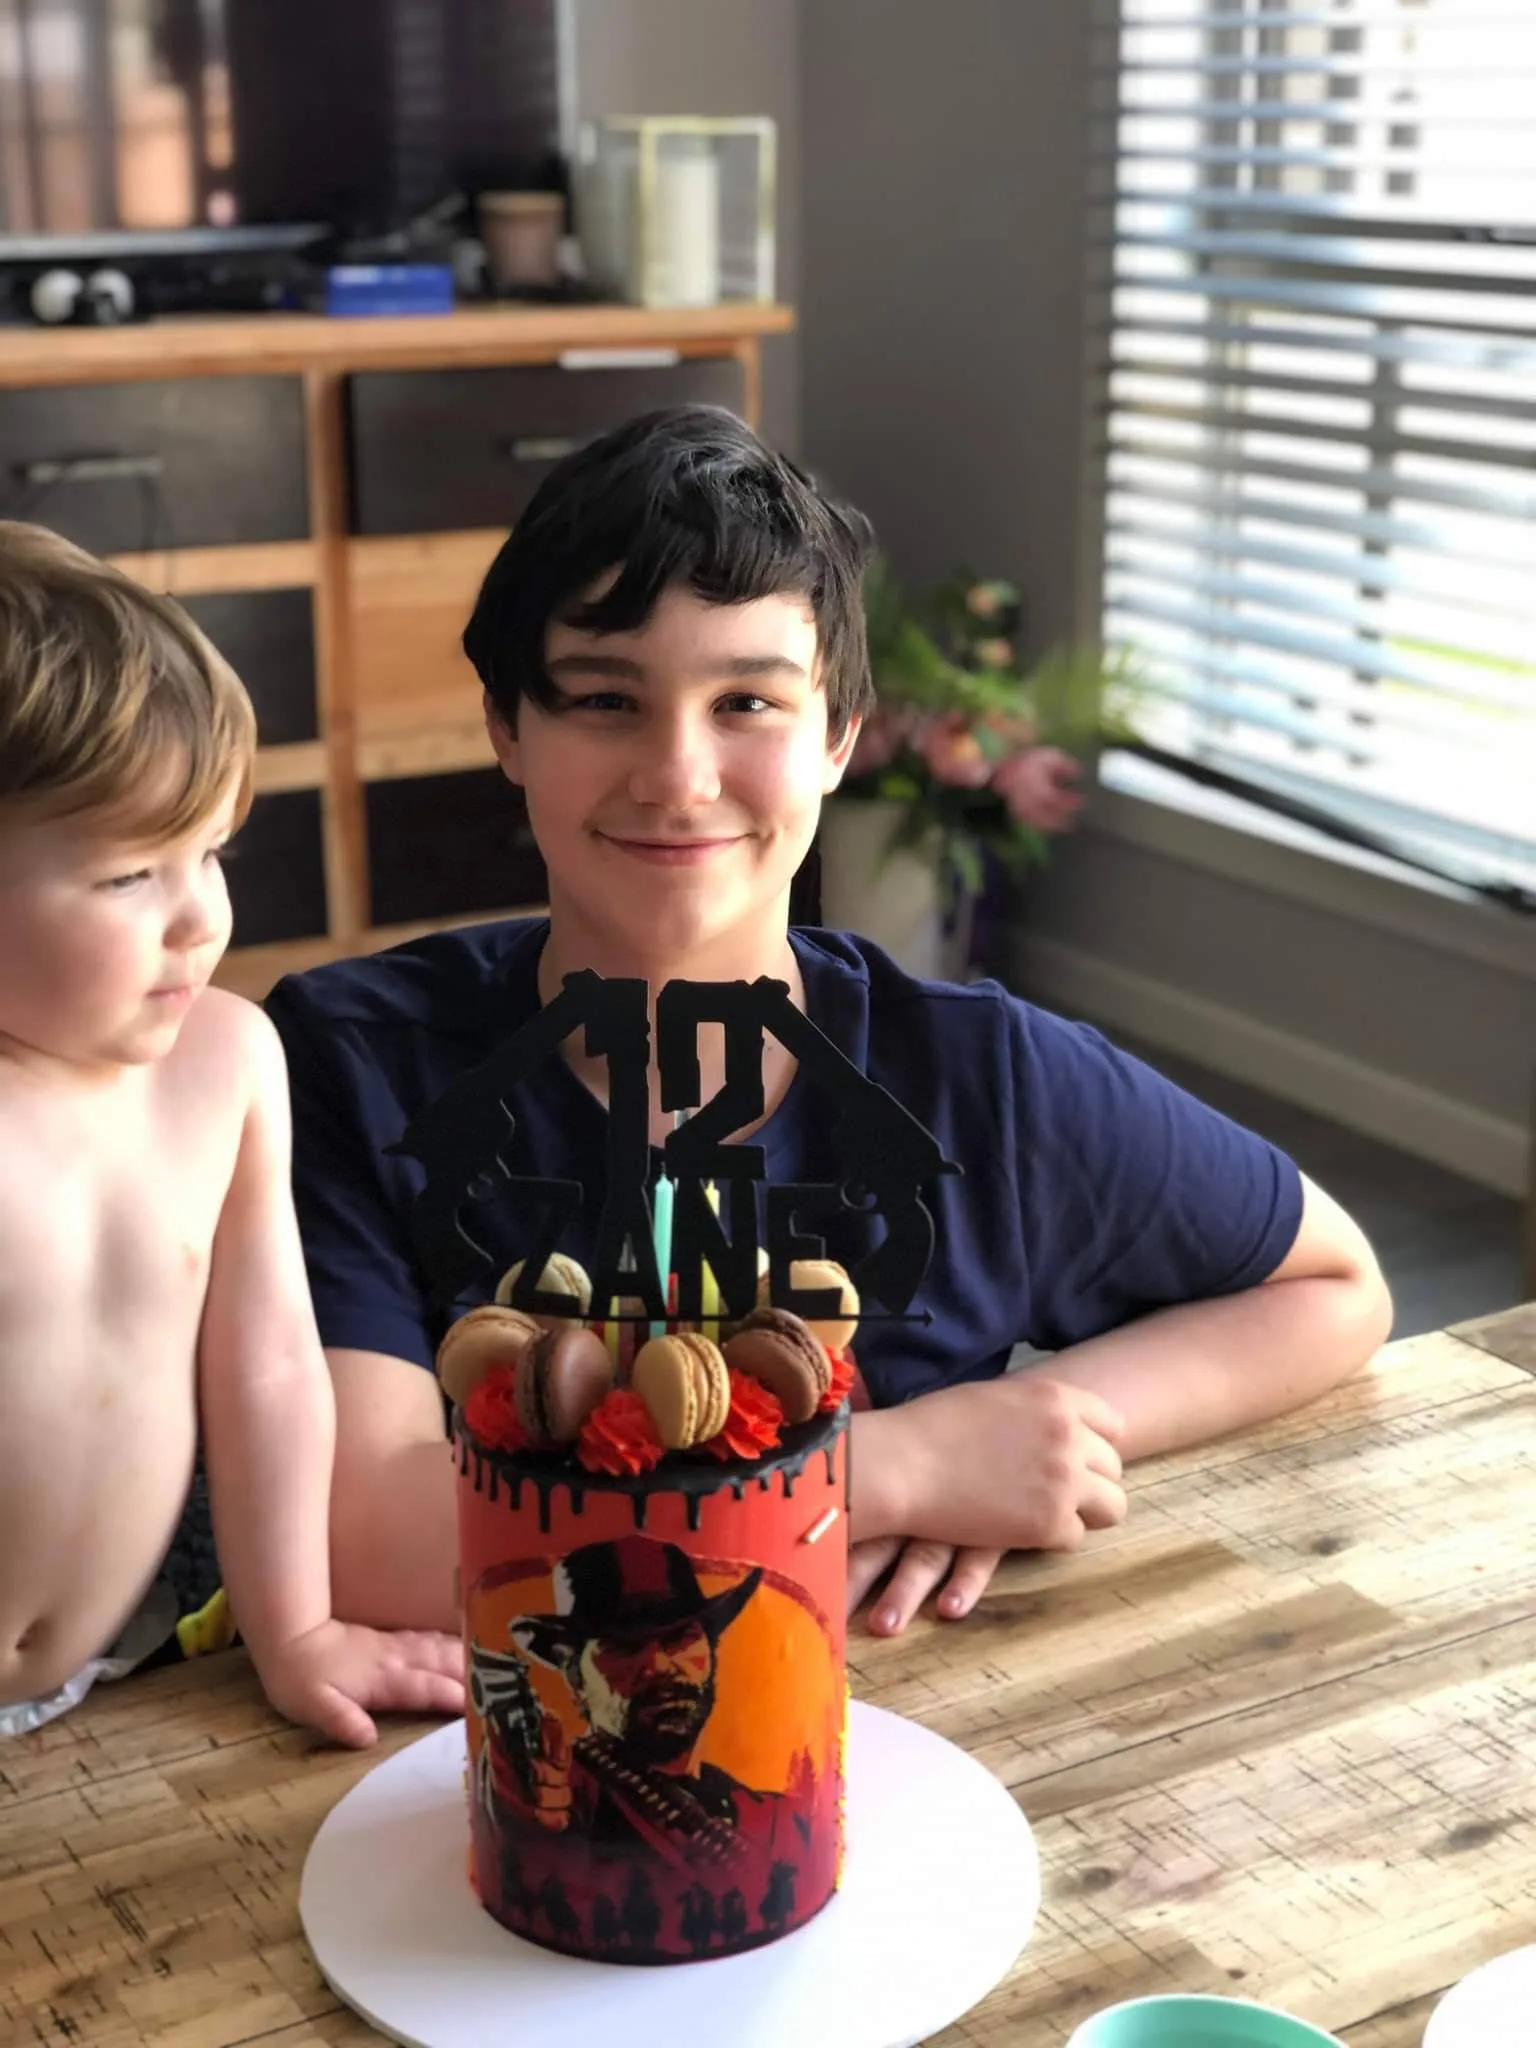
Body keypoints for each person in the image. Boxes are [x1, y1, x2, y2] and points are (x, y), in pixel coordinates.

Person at [264, 406, 1393, 1643]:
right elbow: (371, 1544)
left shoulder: (981, 1077)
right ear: (507, 729)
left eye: (747, 701)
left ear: (839, 738)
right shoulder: (348, 1057)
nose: (677, 774)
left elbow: (1335, 1286)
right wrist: (883, 1472)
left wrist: (1032, 1429)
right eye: (604, 699)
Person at [0, 522, 464, 1743]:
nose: (200, 916)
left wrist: (299, 1625)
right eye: (127, 877)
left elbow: (266, 1369)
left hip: (135, 1664)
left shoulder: (229, 1059)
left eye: (210, 848)